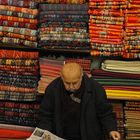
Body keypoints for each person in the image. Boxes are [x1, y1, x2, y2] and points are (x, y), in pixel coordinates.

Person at [38, 62, 121, 140]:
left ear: (81, 76)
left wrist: (112, 129)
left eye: (75, 83)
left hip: (89, 136)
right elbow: (45, 115)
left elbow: (105, 113)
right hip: (60, 135)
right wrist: (46, 133)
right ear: (61, 77)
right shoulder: (53, 89)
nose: (71, 87)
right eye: (67, 83)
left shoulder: (96, 88)